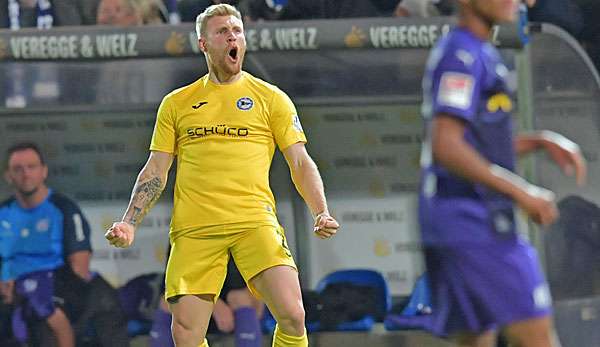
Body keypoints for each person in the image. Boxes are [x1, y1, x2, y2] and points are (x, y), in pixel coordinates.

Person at [104, 3, 339, 347]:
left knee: (293, 315)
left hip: (253, 222)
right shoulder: (177, 103)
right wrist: (129, 222)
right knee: (185, 333)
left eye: (237, 31)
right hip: (196, 229)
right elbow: (156, 168)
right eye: (223, 31)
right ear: (203, 44)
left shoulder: (270, 98)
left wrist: (321, 211)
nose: (233, 36)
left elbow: (300, 161)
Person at [418, 1, 587, 347]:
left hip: (455, 221)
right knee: (538, 338)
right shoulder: (460, 55)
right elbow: (446, 145)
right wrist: (522, 191)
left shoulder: (480, 52)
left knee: (477, 338)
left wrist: (539, 142)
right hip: (475, 223)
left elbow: (474, 144)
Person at [0, 142, 128, 347]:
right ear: (8, 176)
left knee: (58, 311)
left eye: (31, 167)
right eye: (18, 169)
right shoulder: (3, 212)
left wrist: (43, 295)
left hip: (57, 284)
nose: (25, 174)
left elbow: (79, 267)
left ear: (44, 171)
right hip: (9, 288)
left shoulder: (64, 209)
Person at [150, 259, 265, 347]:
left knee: (241, 298)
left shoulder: (241, 233)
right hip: (196, 301)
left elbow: (253, 283)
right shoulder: (183, 233)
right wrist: (214, 303)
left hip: (231, 312)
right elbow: (176, 283)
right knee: (169, 301)